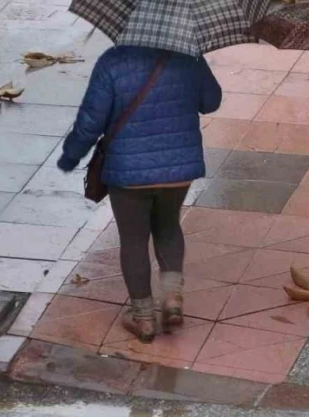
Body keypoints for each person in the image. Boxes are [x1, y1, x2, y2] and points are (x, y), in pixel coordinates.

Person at [57, 45, 222, 343]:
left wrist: (71, 156)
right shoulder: (188, 57)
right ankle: (172, 297)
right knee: (168, 227)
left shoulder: (113, 61)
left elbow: (91, 121)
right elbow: (211, 102)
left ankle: (143, 318)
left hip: (128, 171)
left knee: (133, 240)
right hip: (178, 168)